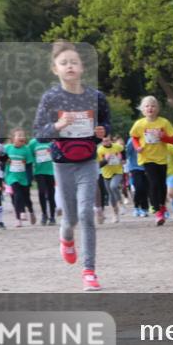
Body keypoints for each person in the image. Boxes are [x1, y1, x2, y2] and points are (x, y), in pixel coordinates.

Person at [32, 41, 111, 291]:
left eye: (74, 62)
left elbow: (106, 125)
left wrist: (103, 131)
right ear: (55, 69)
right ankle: (66, 238)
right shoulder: (51, 98)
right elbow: (39, 133)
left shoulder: (95, 97)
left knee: (87, 213)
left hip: (88, 160)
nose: (69, 66)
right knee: (71, 218)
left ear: (82, 67)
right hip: (62, 162)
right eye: (64, 62)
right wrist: (57, 126)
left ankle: (89, 270)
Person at [130, 96, 173, 226]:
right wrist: (137, 147)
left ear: (157, 109)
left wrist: (164, 137)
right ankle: (157, 211)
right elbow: (134, 137)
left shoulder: (164, 122)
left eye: (153, 106)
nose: (150, 108)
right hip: (147, 157)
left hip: (161, 158)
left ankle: (162, 206)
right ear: (142, 109)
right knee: (154, 183)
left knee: (162, 185)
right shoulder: (139, 124)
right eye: (147, 106)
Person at [4, 127, 36, 227]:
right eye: (19, 135)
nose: (22, 137)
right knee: (16, 196)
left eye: (23, 135)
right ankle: (18, 218)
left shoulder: (26, 150)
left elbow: (29, 166)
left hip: (23, 178)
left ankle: (31, 211)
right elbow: (2, 161)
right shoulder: (7, 149)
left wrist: (30, 179)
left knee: (26, 198)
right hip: (12, 177)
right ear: (13, 138)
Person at [29, 133, 57, 226]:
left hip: (50, 171)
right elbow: (29, 155)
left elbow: (56, 153)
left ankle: (52, 216)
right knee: (41, 192)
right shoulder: (33, 143)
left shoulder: (51, 141)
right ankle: (44, 214)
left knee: (51, 194)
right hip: (39, 171)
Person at [96, 135, 125, 224]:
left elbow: (123, 152)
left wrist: (123, 159)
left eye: (108, 141)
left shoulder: (117, 147)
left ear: (111, 140)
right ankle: (115, 215)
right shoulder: (99, 150)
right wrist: (105, 159)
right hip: (106, 174)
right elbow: (98, 165)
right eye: (104, 141)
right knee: (111, 195)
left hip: (118, 171)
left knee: (113, 186)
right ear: (101, 141)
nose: (106, 142)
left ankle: (120, 203)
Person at [124, 130, 149, 217]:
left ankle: (145, 209)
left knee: (145, 188)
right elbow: (127, 153)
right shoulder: (132, 140)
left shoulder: (148, 138)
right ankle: (136, 207)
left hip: (147, 166)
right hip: (135, 167)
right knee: (139, 187)